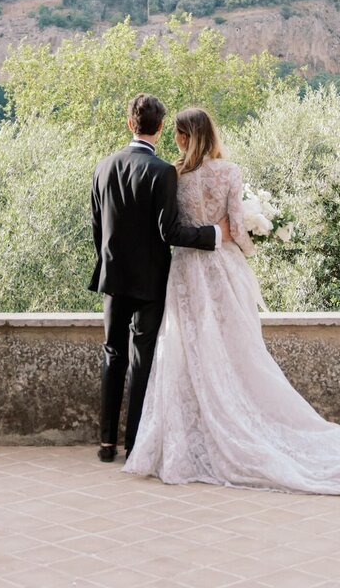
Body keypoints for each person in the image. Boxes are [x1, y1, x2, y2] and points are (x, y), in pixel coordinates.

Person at [124, 106, 340, 497]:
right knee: (237, 351)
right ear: (210, 134)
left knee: (189, 353)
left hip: (185, 275)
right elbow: (234, 229)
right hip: (222, 270)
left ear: (181, 137)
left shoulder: (174, 175)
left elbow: (171, 229)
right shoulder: (229, 172)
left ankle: (191, 437)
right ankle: (242, 419)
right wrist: (253, 240)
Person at [89, 92, 230, 463]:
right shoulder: (163, 171)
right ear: (162, 127)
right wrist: (214, 235)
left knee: (112, 354)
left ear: (129, 122)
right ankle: (135, 443)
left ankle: (106, 444)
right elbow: (169, 232)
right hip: (151, 282)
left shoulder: (103, 166)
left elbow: (96, 228)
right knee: (141, 360)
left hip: (113, 278)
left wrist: (108, 262)